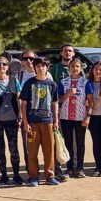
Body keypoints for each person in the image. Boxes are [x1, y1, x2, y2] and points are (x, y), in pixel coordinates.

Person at [19, 57, 60, 186]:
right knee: (32, 151)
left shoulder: (52, 84)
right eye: (38, 66)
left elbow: (55, 104)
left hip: (48, 121)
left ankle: (49, 175)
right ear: (35, 67)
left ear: (47, 68)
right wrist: (25, 121)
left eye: (43, 66)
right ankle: (33, 176)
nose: (40, 68)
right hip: (32, 122)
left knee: (49, 150)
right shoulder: (29, 83)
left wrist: (56, 121)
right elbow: (24, 104)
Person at [0, 56, 24, 185]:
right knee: (0, 148)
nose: (1, 66)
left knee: (13, 148)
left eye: (4, 64)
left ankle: (16, 175)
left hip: (12, 120)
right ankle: (3, 175)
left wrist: (20, 117)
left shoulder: (13, 81)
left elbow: (19, 100)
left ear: (8, 67)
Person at [58, 57, 91, 179]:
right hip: (66, 116)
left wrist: (88, 116)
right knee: (68, 143)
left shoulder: (85, 82)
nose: (75, 69)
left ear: (80, 68)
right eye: (72, 66)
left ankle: (80, 168)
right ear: (69, 68)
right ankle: (70, 167)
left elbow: (90, 100)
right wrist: (67, 94)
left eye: (77, 66)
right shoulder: (63, 82)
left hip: (80, 116)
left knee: (80, 143)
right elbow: (59, 100)